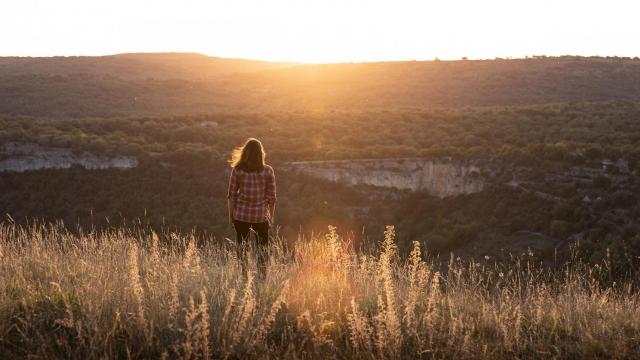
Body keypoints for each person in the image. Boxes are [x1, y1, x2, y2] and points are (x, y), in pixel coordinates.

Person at [227, 138, 276, 269]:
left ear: (245, 153)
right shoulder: (268, 170)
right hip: (260, 216)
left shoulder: (237, 170)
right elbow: (272, 198)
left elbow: (232, 196)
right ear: (261, 153)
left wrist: (231, 216)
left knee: (242, 249)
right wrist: (270, 217)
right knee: (263, 250)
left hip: (241, 215)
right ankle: (261, 276)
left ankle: (244, 277)